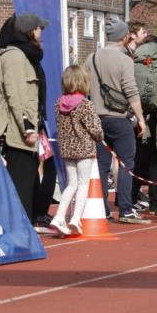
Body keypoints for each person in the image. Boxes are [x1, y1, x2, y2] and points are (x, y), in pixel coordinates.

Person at [85, 19, 150, 225]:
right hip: (119, 117)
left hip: (96, 117)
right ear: (124, 37)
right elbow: (131, 91)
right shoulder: (125, 61)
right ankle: (125, 208)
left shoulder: (91, 58)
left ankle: (102, 208)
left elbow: (85, 89)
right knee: (125, 163)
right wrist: (141, 119)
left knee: (102, 165)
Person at [0, 12, 48, 225]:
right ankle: (17, 227)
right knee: (20, 183)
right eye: (39, 28)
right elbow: (15, 94)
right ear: (31, 31)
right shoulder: (14, 56)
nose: (41, 32)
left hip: (29, 127)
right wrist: (27, 126)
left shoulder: (27, 55)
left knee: (30, 182)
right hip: (17, 131)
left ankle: (25, 225)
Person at [51, 64, 104, 237]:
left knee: (71, 184)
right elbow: (95, 129)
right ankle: (75, 218)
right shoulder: (86, 105)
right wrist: (99, 137)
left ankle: (59, 216)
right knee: (83, 184)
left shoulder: (58, 104)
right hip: (84, 148)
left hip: (67, 149)